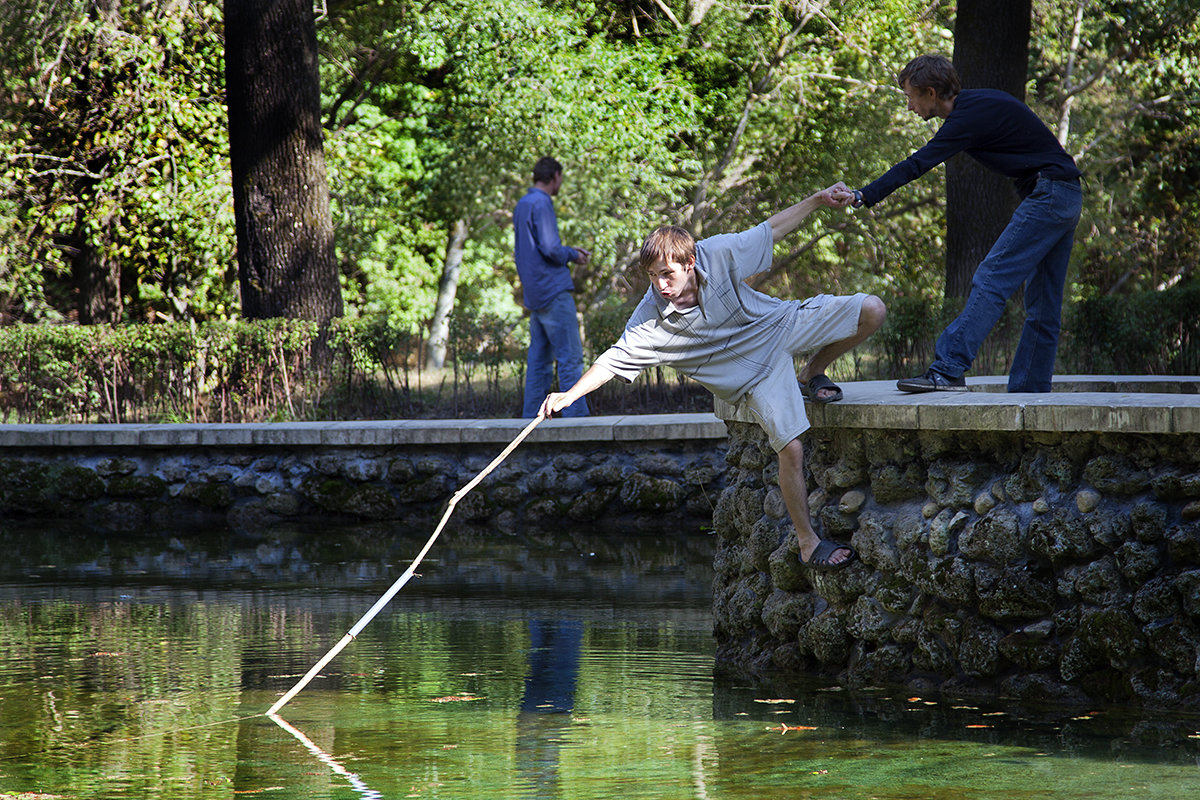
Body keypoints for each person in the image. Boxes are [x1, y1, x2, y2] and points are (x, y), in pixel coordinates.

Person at [539, 187, 887, 570]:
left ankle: (811, 371)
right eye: (653, 276)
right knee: (790, 446)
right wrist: (570, 395)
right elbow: (613, 359)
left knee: (871, 309)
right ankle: (808, 542)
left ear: (690, 262)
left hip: (777, 325)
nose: (660, 285)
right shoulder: (649, 319)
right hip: (754, 377)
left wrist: (817, 201)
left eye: (667, 274)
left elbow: (770, 230)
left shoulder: (717, 253)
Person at [840, 53, 1082, 394]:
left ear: (931, 93)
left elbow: (916, 164)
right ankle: (1030, 392)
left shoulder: (966, 117)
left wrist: (863, 195)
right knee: (1043, 307)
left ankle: (948, 369)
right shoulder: (978, 104)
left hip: (1050, 194)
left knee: (992, 277)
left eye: (911, 97)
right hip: (1066, 194)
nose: (910, 106)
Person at [514, 156, 593, 418]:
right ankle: (579, 427)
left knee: (538, 364)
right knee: (570, 360)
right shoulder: (541, 202)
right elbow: (549, 248)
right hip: (553, 292)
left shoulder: (523, 204)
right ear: (555, 176)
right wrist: (573, 254)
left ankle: (530, 424)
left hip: (535, 294)